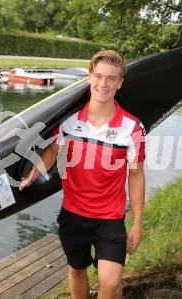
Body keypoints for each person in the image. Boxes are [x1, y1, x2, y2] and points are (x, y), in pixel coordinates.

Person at [19, 50, 145, 299]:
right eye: (98, 76)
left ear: (120, 83)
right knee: (77, 270)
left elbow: (136, 176)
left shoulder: (132, 128)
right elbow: (53, 151)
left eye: (111, 78)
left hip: (109, 218)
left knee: (110, 283)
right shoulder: (69, 122)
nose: (103, 84)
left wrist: (138, 223)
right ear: (89, 77)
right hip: (73, 214)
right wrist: (32, 176)